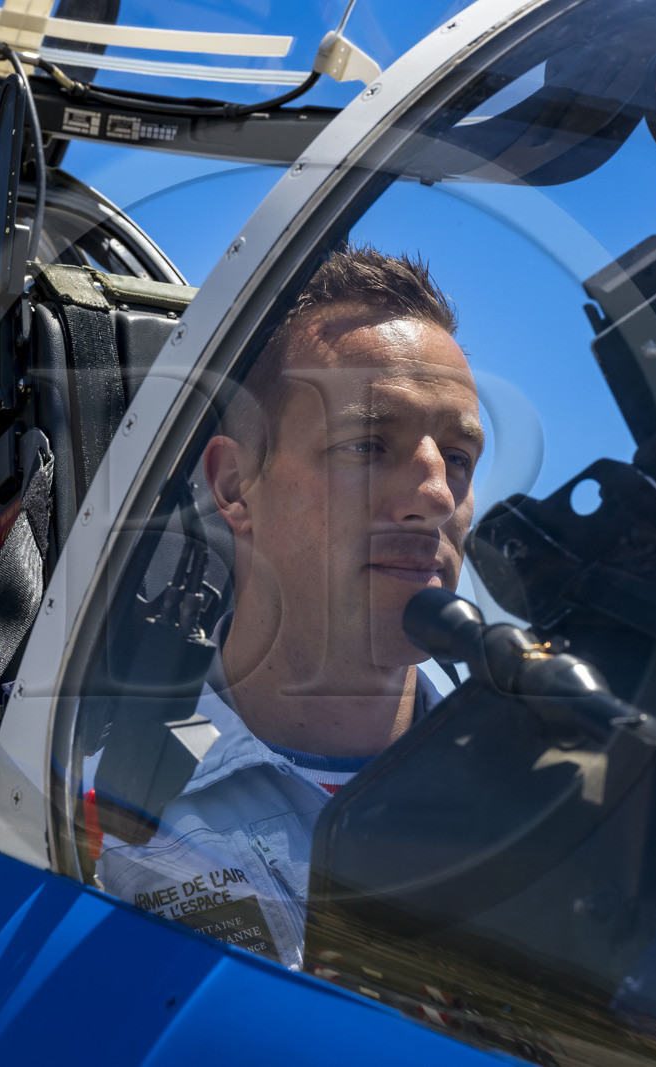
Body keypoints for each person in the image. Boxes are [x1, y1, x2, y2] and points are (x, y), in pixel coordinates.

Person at [92, 245, 485, 968]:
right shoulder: (95, 828)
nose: (436, 495)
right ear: (236, 485)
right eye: (369, 444)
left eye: (458, 458)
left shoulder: (535, 806)